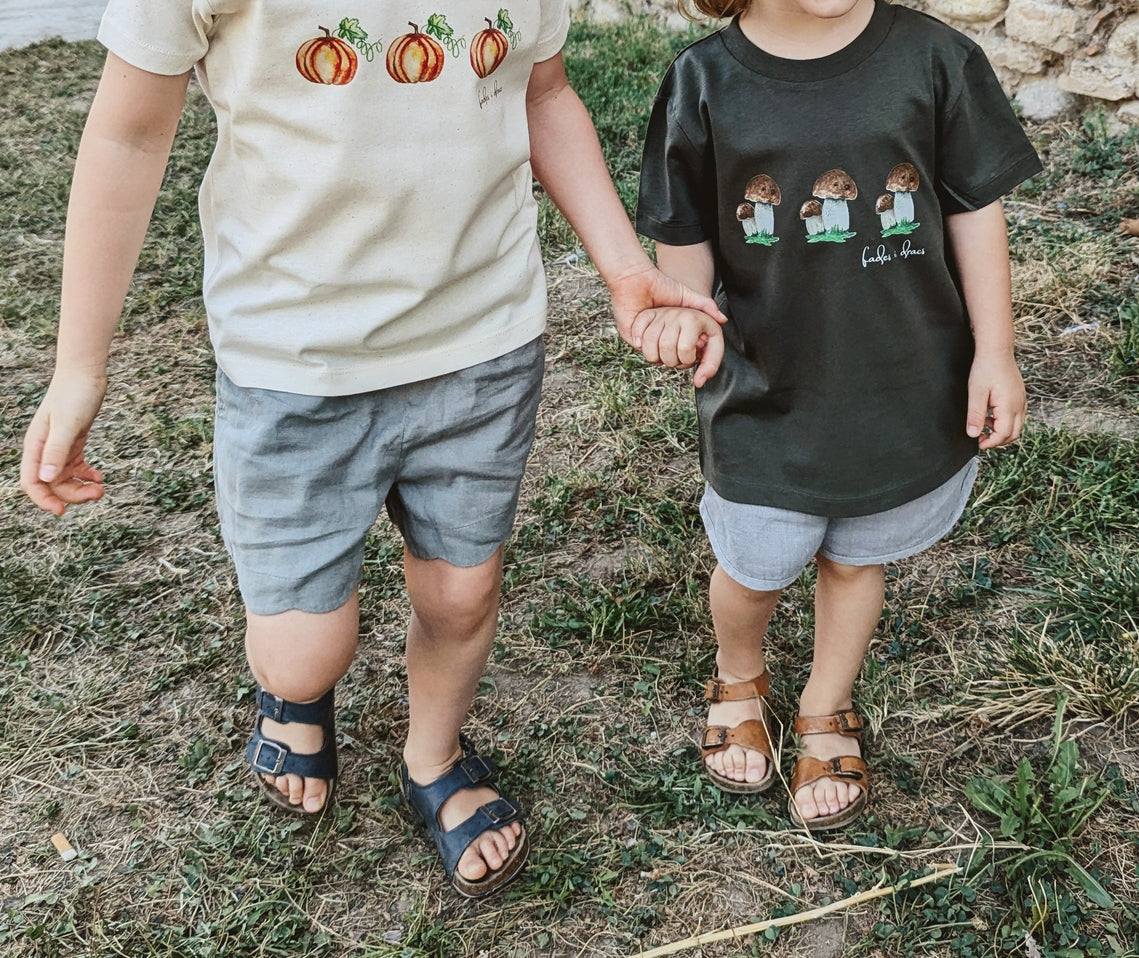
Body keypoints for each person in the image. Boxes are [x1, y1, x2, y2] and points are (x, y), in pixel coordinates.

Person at [19, 0, 724, 897]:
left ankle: (432, 756)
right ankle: (295, 701)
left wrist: (626, 271)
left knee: (463, 593)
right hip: (294, 367)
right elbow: (125, 137)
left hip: (483, 343)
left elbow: (542, 95)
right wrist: (80, 365)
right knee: (303, 651)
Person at [631, 0, 1041, 829]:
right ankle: (739, 671)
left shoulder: (933, 59)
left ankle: (826, 699)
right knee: (755, 562)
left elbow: (973, 211)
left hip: (899, 379)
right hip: (761, 385)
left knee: (856, 558)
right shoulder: (702, 81)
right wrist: (683, 316)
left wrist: (994, 351)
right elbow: (681, 228)